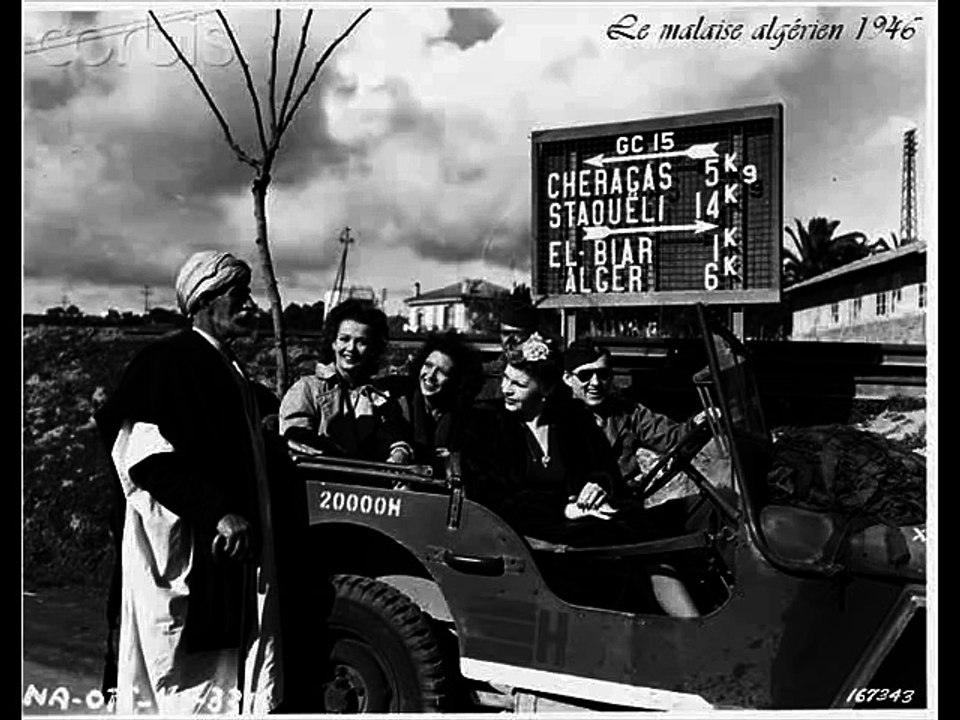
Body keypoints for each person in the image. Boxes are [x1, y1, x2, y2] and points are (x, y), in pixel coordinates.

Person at [95, 251, 288, 714]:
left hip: (226, 553)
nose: (249, 306)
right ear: (205, 298)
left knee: (224, 672)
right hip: (186, 548)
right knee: (178, 676)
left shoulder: (230, 368)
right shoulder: (166, 362)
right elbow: (146, 461)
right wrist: (218, 512)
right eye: (238, 296)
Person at [482, 332, 700, 617]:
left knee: (653, 548)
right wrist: (567, 509)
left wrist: (598, 487)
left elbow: (601, 470)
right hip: (526, 533)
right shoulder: (491, 427)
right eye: (506, 380)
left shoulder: (573, 421)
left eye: (519, 384)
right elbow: (496, 498)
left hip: (586, 521)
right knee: (620, 557)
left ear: (546, 389)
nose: (506, 390)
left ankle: (695, 629)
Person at [279, 299, 413, 463]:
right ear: (333, 343)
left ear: (372, 348)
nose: (351, 348)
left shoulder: (380, 396)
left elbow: (393, 437)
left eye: (361, 342)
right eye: (344, 339)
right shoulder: (307, 389)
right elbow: (295, 439)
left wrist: (399, 451)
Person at [562, 339, 711, 484]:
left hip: (623, 501)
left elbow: (671, 438)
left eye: (603, 374)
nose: (595, 383)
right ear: (568, 378)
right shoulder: (556, 419)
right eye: (585, 376)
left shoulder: (628, 412)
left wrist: (697, 425)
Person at [398, 331, 486, 468]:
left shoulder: (469, 421)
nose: (431, 375)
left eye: (442, 372)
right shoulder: (401, 406)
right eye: (427, 365)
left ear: (457, 381)